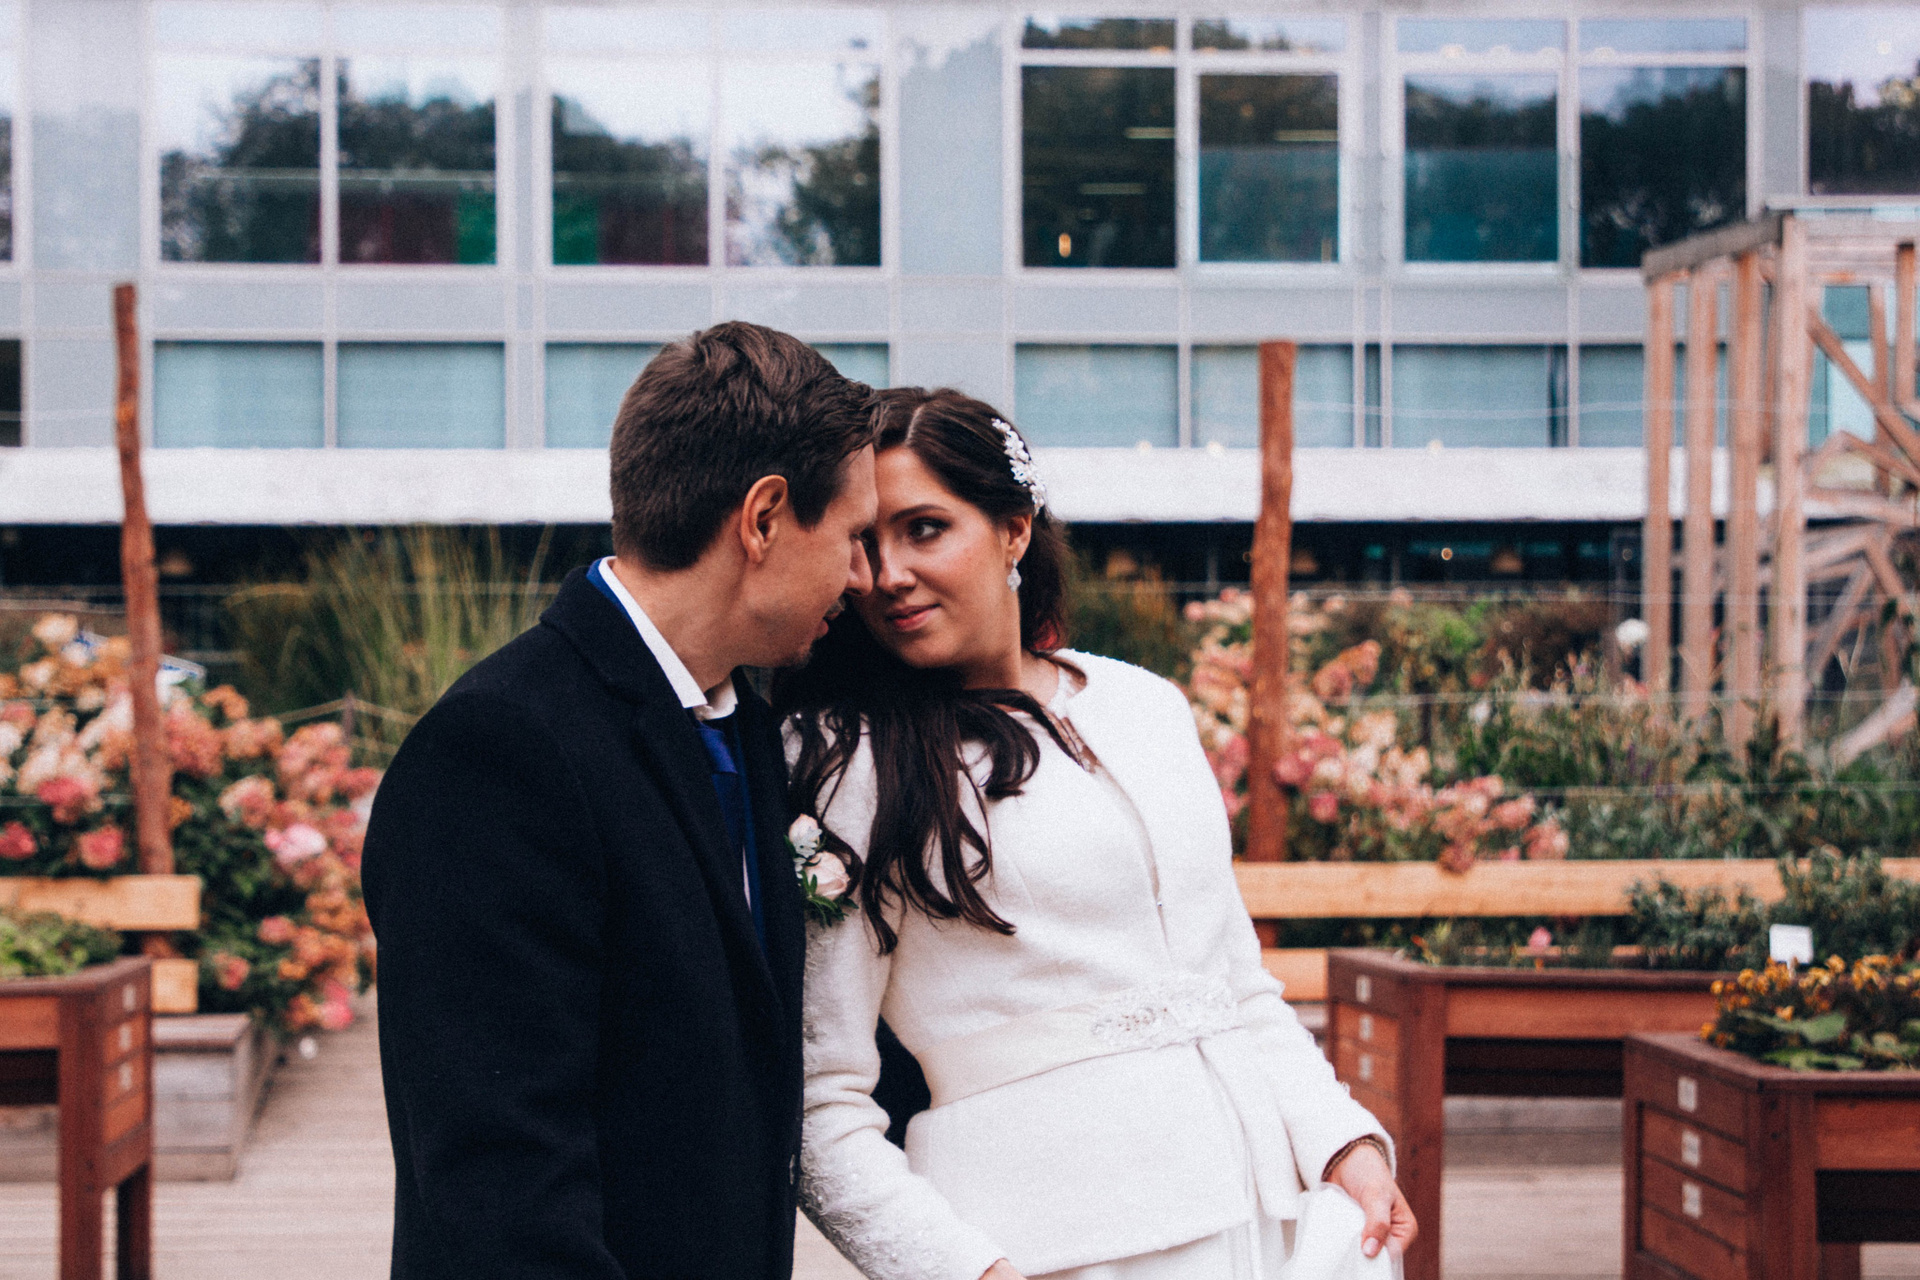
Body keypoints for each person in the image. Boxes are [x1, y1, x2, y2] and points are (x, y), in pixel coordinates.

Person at [779, 388, 1416, 1280]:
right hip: (1046, 1249)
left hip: (1265, 1225)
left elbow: (1233, 981)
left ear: (1014, 530)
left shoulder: (1144, 705)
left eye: (924, 530)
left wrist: (1342, 1141)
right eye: (866, 543)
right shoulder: (848, 760)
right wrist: (968, 1272)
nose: (887, 575)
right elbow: (819, 1103)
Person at [362, 322, 878, 1280]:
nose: (864, 575)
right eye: (852, 535)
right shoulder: (498, 749)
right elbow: (501, 1181)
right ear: (764, 518)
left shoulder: (747, 728)